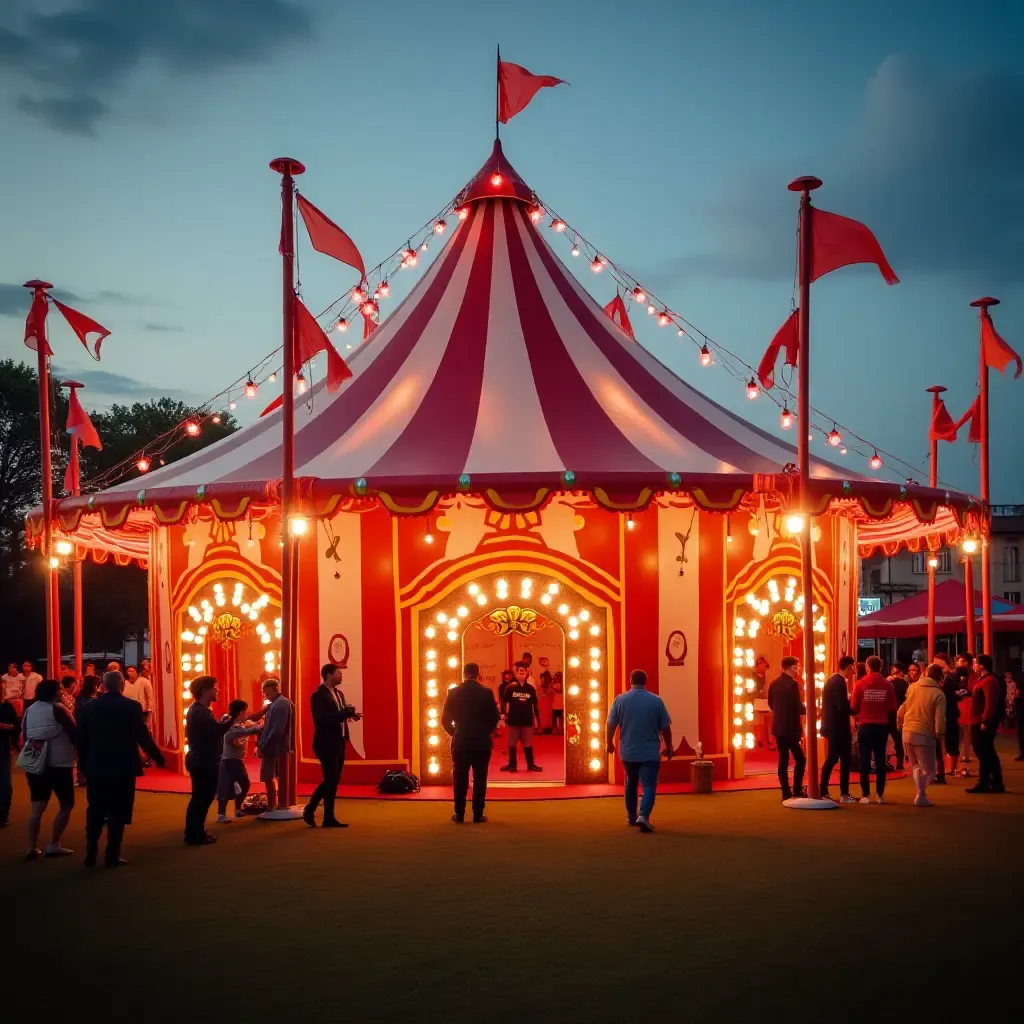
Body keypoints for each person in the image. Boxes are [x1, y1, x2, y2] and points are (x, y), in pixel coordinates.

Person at [76, 670, 165, 867]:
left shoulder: (88, 707)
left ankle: (91, 852)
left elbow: (81, 740)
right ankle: (112, 854)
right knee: (119, 811)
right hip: (123, 766)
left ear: (103, 686)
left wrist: (82, 765)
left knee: (95, 809)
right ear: (122, 685)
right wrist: (159, 758)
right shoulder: (132, 707)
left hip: (96, 765)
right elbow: (143, 737)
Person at [606, 668, 673, 833]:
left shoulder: (620, 700)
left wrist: (609, 742)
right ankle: (643, 816)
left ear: (630, 681)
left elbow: (611, 724)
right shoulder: (656, 701)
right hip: (650, 751)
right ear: (646, 682)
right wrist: (669, 747)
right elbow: (665, 727)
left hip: (628, 751)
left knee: (630, 783)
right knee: (649, 784)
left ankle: (630, 816)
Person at [21, 679, 77, 859]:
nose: (62, 692)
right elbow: (75, 733)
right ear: (54, 693)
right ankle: (53, 844)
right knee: (67, 804)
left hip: (35, 762)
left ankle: (31, 847)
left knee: (37, 806)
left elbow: (24, 732)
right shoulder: (59, 709)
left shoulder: (30, 710)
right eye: (59, 690)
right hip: (59, 762)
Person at [442, 662, 500, 823]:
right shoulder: (486, 693)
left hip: (461, 741)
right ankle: (478, 814)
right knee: (480, 779)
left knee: (460, 779)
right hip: (481, 742)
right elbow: (495, 717)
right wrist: (485, 731)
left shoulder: (453, 692)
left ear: (464, 673)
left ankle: (459, 813)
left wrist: (455, 733)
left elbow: (444, 719)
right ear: (477, 674)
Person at [303, 665, 359, 828]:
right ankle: (310, 808)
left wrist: (350, 715)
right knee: (330, 779)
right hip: (325, 743)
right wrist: (344, 713)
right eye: (338, 673)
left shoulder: (338, 694)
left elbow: (339, 715)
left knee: (333, 780)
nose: (341, 675)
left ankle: (329, 817)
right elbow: (321, 719)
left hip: (340, 741)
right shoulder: (318, 696)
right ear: (329, 675)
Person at [184, 675, 232, 845]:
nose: (217, 691)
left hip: (201, 759)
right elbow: (217, 731)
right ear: (205, 690)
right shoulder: (199, 711)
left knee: (200, 797)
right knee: (202, 798)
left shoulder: (198, 710)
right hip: (203, 760)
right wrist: (232, 719)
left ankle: (195, 831)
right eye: (215, 688)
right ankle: (194, 834)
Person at [897, 663, 947, 807]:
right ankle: (920, 795)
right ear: (940, 678)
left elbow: (902, 710)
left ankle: (921, 794)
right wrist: (940, 737)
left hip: (907, 732)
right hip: (924, 734)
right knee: (930, 770)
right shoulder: (939, 694)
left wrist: (900, 724)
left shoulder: (913, 687)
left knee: (916, 766)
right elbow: (940, 720)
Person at [851, 655, 897, 804]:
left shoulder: (860, 684)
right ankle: (880, 794)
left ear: (867, 667)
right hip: (881, 726)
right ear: (881, 667)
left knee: (864, 759)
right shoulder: (887, 685)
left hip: (864, 726)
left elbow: (854, 707)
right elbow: (892, 707)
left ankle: (865, 794)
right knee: (880, 760)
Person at [767, 656, 806, 801]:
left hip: (778, 727)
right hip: (790, 727)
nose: (799, 669)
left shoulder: (774, 683)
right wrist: (808, 710)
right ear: (792, 668)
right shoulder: (793, 685)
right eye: (797, 666)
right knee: (800, 759)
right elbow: (797, 707)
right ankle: (796, 789)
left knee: (783, 761)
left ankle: (785, 792)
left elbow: (772, 704)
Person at [216, 700, 262, 823]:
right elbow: (247, 731)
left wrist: (263, 713)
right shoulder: (229, 724)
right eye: (245, 712)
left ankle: (237, 809)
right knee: (225, 787)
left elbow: (251, 723)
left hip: (237, 760)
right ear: (240, 712)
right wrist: (262, 727)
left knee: (244, 784)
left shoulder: (241, 722)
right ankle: (221, 814)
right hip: (228, 761)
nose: (246, 714)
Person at [820, 656, 856, 802]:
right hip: (838, 727)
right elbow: (842, 706)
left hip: (833, 726)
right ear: (848, 667)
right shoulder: (839, 682)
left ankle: (829, 791)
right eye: (852, 667)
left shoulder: (833, 681)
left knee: (835, 759)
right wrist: (854, 710)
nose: (854, 670)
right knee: (838, 759)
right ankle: (840, 793)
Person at [967, 654, 1005, 794]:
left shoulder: (989, 681)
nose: (974, 666)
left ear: (982, 665)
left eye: (976, 663)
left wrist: (986, 721)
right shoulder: (983, 680)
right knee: (985, 752)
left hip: (982, 721)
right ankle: (992, 782)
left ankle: (988, 782)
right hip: (979, 720)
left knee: (984, 752)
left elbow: (990, 703)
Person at [256, 677, 294, 813]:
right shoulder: (277, 703)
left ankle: (272, 806)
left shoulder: (281, 704)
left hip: (275, 747)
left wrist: (263, 746)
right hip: (273, 745)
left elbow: (277, 729)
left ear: (273, 689)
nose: (264, 695)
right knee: (269, 776)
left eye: (265, 693)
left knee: (269, 776)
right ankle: (272, 805)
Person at [499, 661, 542, 772]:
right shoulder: (510, 688)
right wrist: (503, 715)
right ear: (516, 673)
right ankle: (512, 765)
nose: (521, 673)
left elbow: (534, 705)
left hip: (527, 720)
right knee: (512, 743)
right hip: (513, 720)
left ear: (527, 673)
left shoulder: (531, 689)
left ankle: (531, 765)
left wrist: (537, 718)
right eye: (519, 671)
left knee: (527, 744)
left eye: (524, 671)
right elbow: (505, 703)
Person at [932, 652, 960, 782]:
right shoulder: (947, 678)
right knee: (948, 741)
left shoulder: (948, 678)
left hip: (949, 713)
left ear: (943, 662)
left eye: (936, 661)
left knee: (950, 741)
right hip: (949, 713)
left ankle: (952, 768)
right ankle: (951, 768)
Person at [955, 653, 975, 775]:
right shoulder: (955, 673)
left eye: (961, 661)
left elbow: (972, 689)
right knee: (959, 730)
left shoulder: (972, 674)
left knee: (966, 730)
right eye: (958, 661)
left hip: (967, 703)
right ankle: (958, 755)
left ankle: (966, 755)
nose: (959, 663)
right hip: (959, 703)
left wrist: (963, 691)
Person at [0, 692, 18, 827]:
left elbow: (16, 727)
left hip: (2, 748)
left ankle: (3, 815)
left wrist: (4, 726)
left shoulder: (6, 708)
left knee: (5, 784)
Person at [887, 662, 909, 771]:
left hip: (888, 712)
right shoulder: (905, 684)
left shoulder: (888, 682)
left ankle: (886, 760)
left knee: (886, 738)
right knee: (898, 737)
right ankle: (900, 762)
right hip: (900, 712)